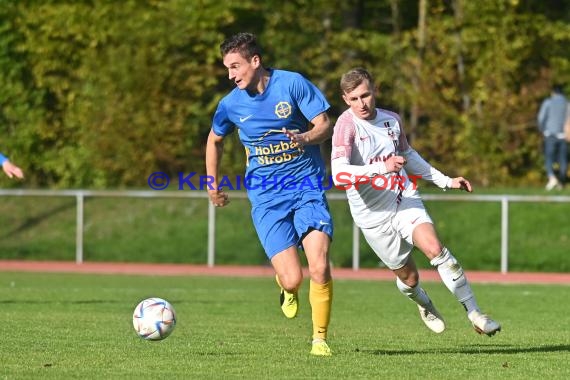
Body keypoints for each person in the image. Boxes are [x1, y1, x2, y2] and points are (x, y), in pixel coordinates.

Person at [331, 68, 501, 337]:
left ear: (375, 90)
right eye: (354, 99)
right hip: (372, 216)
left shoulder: (392, 121)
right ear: (345, 99)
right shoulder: (346, 125)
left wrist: (446, 181)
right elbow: (339, 175)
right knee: (409, 278)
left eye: (365, 95)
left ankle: (475, 314)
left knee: (436, 249)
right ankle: (422, 302)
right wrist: (381, 168)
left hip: (402, 197)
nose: (361, 104)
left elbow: (408, 155)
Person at [205, 32, 334, 356]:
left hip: (307, 188)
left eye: (235, 66)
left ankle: (319, 340)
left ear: (255, 61)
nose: (231, 75)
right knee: (293, 279)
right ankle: (286, 288)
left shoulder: (291, 84)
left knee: (319, 265)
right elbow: (214, 140)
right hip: (266, 199)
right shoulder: (230, 105)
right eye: (227, 68)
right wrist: (212, 185)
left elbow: (324, 124)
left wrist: (305, 138)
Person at [537, 84, 568, 190]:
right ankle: (561, 180)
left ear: (553, 92)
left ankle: (552, 177)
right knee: (563, 159)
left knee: (549, 158)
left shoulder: (548, 102)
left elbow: (541, 118)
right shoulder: (567, 103)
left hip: (550, 134)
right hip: (563, 135)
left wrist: (542, 130)